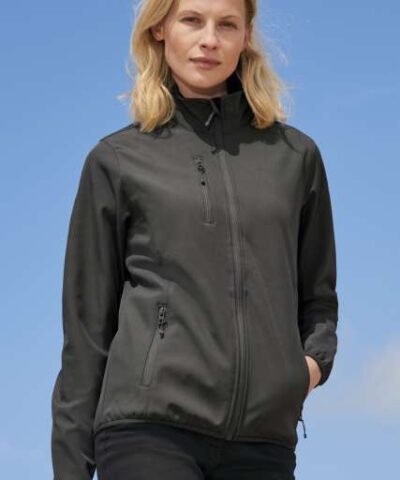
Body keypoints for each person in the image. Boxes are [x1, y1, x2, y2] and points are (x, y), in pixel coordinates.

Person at [50, 0, 339, 478]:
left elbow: (319, 297)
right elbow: (85, 337)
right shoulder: (118, 160)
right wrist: (70, 469)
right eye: (192, 20)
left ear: (246, 37)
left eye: (227, 24)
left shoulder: (296, 157)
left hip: (264, 442)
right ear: (160, 28)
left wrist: (307, 369)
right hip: (147, 433)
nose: (209, 40)